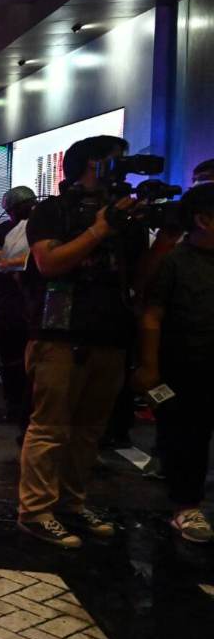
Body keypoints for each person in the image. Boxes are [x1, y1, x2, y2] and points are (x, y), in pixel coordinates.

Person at [17, 135, 149, 548]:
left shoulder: (126, 220)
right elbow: (50, 263)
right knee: (51, 427)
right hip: (59, 334)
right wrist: (99, 230)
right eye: (116, 161)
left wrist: (160, 240)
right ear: (93, 165)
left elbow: (139, 282)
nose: (123, 168)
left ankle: (72, 503)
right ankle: (36, 509)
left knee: (88, 431)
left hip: (109, 333)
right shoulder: (52, 211)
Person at [134, 183, 214, 544]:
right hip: (185, 364)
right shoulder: (175, 261)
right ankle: (186, 506)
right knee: (187, 438)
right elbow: (152, 315)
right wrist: (149, 368)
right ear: (203, 220)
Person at [0, 186, 38, 433]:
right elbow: (1, 259)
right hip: (8, 306)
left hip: (32, 307)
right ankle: (14, 404)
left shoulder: (41, 228)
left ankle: (26, 404)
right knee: (11, 361)